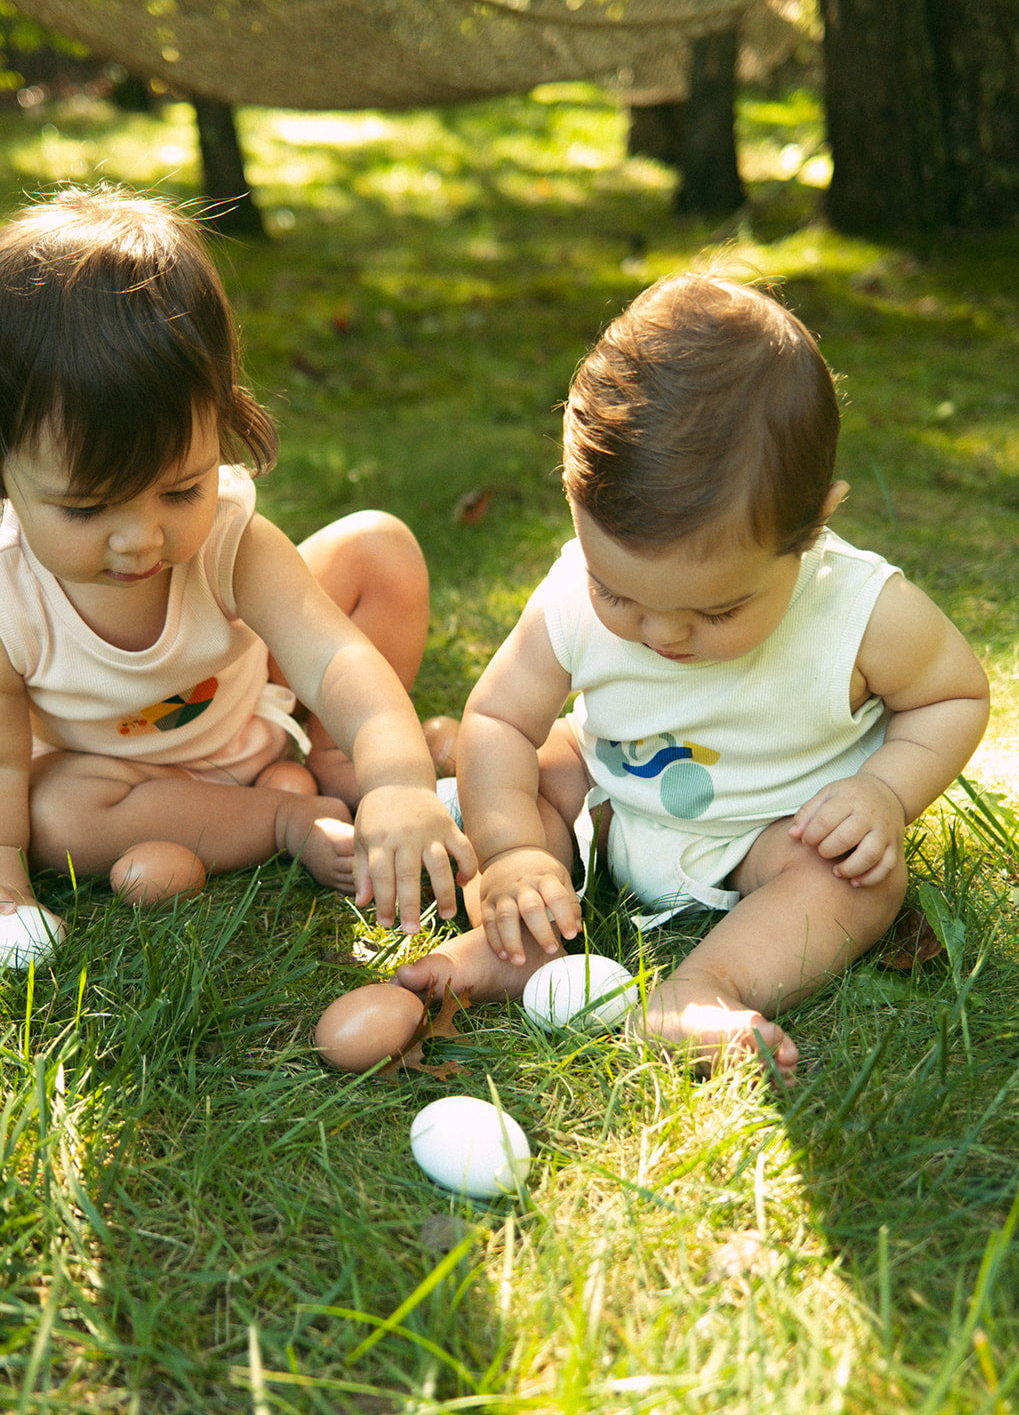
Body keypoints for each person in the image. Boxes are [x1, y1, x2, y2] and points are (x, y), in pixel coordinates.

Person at [396, 272, 989, 1085]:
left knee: (857, 883)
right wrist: (507, 851)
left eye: (715, 612)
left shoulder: (862, 611)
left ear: (811, 526)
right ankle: (520, 941)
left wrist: (886, 792)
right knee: (538, 775)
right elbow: (498, 718)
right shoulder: (571, 593)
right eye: (619, 593)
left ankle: (706, 987)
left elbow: (951, 694)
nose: (661, 632)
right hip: (606, 799)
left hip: (769, 834)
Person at [0, 186, 475, 959]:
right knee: (54, 819)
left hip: (254, 714)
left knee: (376, 547)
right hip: (121, 782)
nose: (140, 540)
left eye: (181, 489)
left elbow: (333, 658)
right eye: (88, 510)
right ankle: (285, 820)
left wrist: (396, 776)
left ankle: (329, 759)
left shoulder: (227, 538)